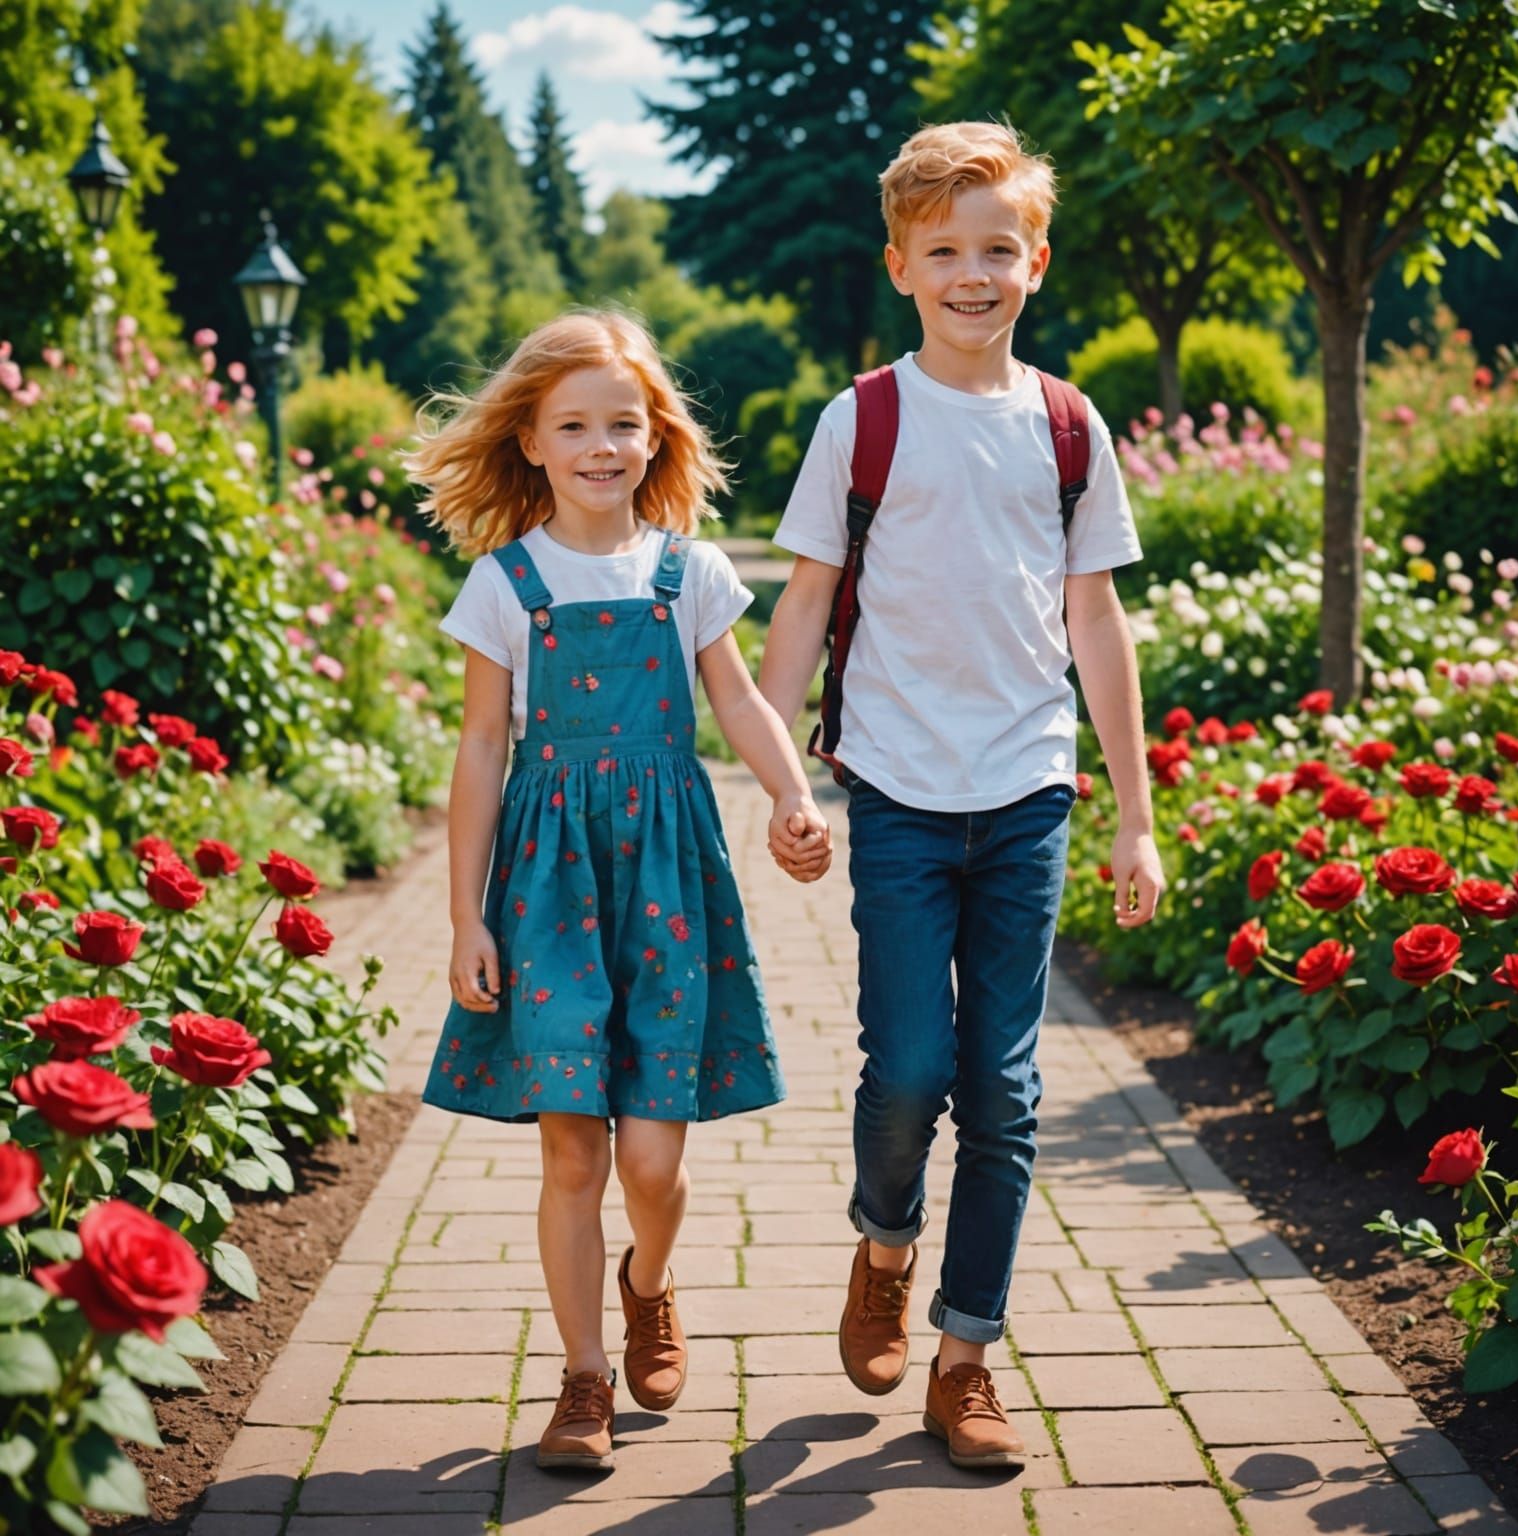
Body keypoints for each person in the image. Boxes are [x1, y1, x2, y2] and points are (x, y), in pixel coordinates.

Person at [758, 121, 1165, 1469]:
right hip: (896, 790)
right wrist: (780, 782)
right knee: (911, 1072)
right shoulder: (863, 419)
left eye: (998, 249)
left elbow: (1096, 620)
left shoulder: (1067, 425)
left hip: (1029, 789)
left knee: (1003, 1088)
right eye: (944, 252)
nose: (972, 275)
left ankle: (966, 1357)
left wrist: (1137, 817)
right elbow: (805, 600)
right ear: (901, 267)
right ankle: (884, 1244)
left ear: (1036, 262)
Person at [408, 309, 832, 1474]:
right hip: (546, 890)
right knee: (572, 1157)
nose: (602, 446)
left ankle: (650, 1280)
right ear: (530, 442)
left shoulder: (688, 572)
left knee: (651, 1161)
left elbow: (738, 701)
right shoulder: (504, 584)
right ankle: (584, 1377)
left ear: (656, 438)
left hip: (667, 883)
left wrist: (792, 794)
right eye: (574, 426)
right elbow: (481, 748)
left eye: (623, 424)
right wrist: (465, 915)